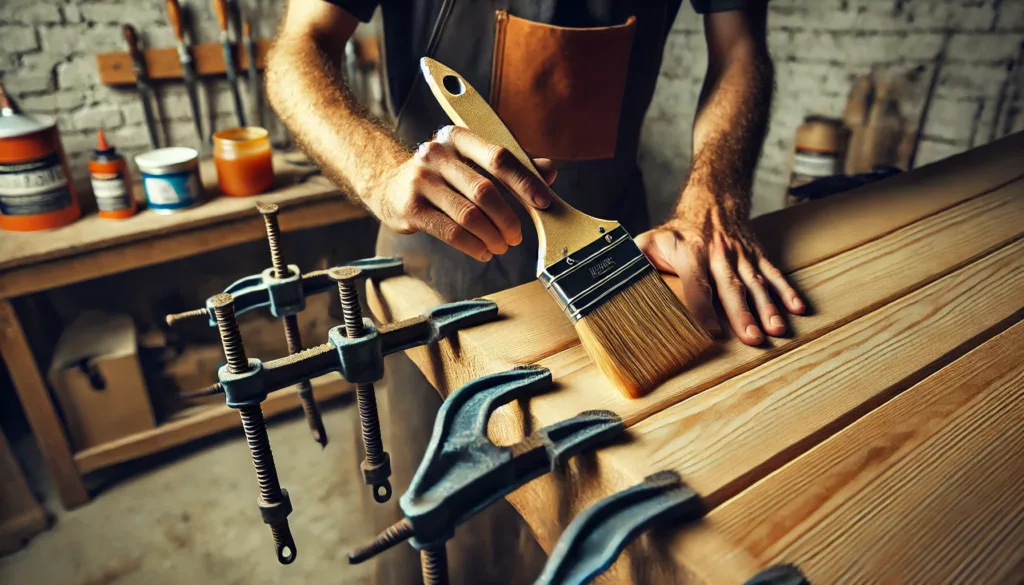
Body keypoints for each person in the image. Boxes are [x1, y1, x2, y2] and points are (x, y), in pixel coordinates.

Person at [267, 1, 804, 583]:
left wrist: (713, 197)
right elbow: (300, 46)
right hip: (437, 269)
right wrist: (382, 173)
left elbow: (739, 47)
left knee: (606, 528)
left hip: (620, 265)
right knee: (441, 534)